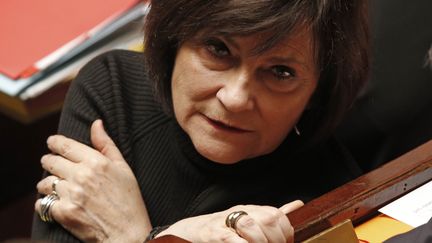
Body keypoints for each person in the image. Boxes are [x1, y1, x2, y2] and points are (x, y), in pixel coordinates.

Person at [31, 0, 369, 242]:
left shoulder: (330, 195)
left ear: (314, 95)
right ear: (175, 37)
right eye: (218, 49)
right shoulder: (114, 88)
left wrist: (138, 237)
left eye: (281, 72)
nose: (235, 98)